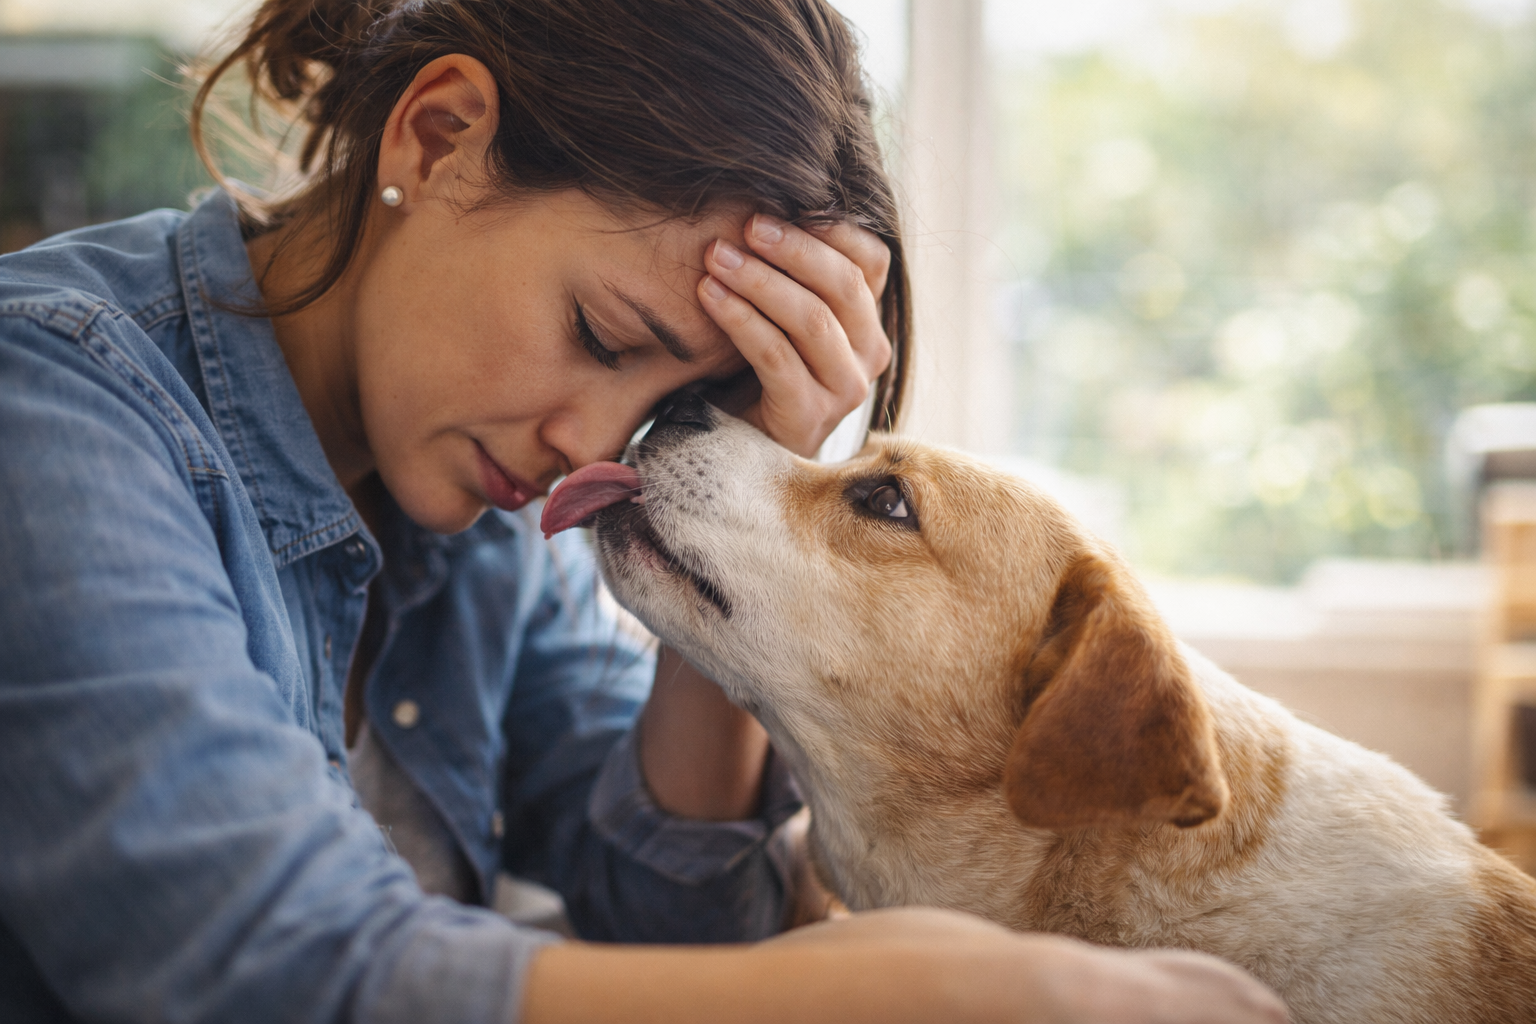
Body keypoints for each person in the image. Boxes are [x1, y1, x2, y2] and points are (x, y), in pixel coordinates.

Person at [0, 1, 1289, 1021]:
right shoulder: (50, 405)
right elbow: (269, 975)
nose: (592, 451)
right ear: (438, 135)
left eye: (671, 405)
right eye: (604, 331)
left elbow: (665, 913)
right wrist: (916, 990)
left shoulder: (471, 498)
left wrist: (746, 492)